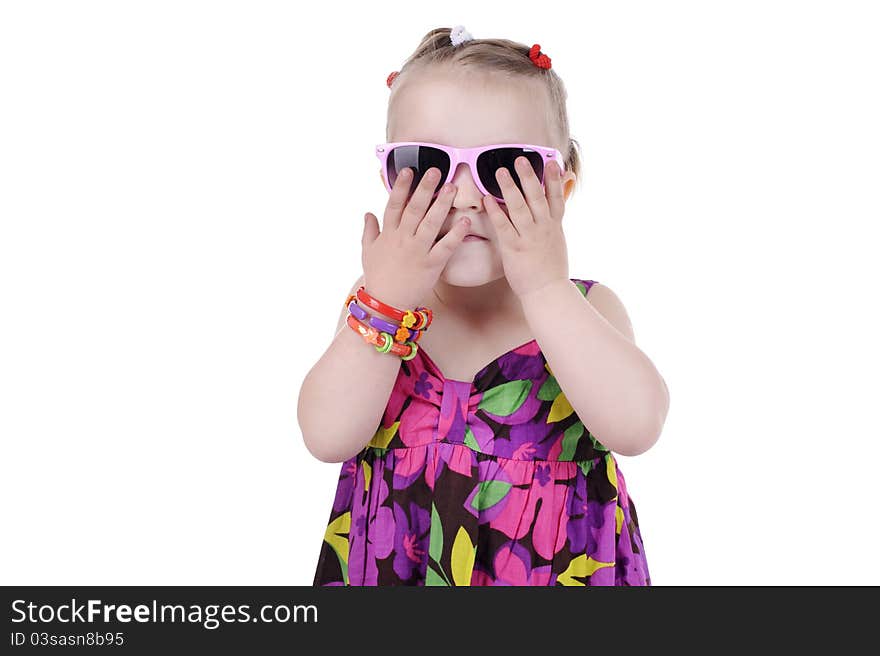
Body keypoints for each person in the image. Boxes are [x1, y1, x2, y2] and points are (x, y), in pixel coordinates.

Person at [297, 25, 669, 586]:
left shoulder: (586, 308)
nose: (466, 197)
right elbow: (326, 436)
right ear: (387, 177)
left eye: (503, 168)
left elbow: (638, 426)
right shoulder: (378, 309)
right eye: (427, 165)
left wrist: (545, 287)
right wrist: (385, 302)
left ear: (561, 189)